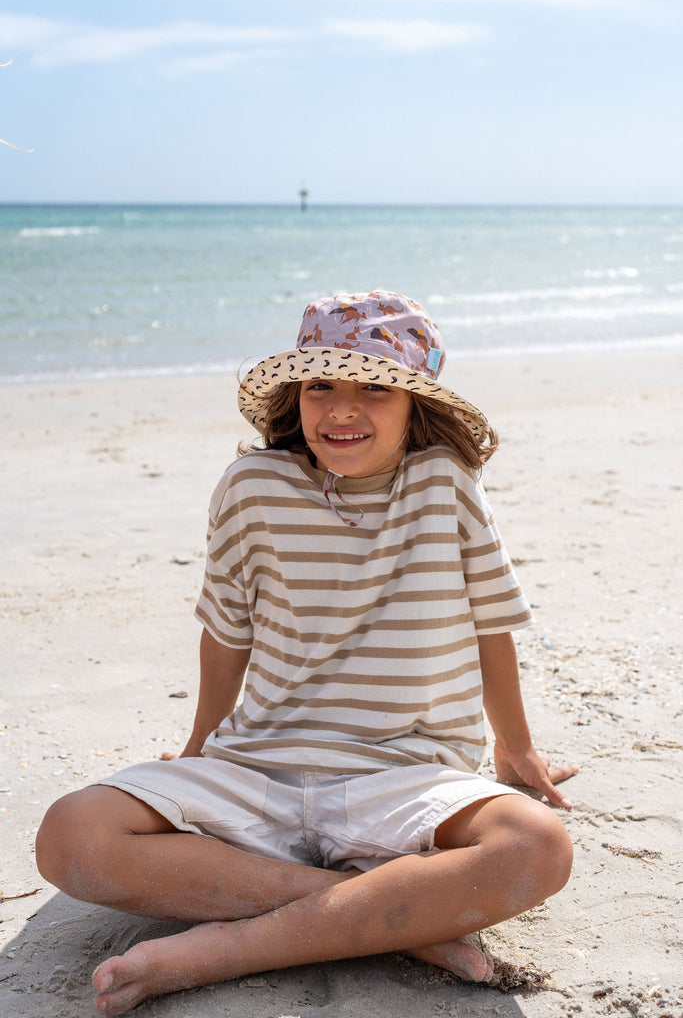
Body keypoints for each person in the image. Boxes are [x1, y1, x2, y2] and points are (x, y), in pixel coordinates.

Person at [36, 290, 578, 1017]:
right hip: (260, 765)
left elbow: (490, 623)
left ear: (414, 407)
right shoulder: (251, 487)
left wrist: (514, 747)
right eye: (321, 383)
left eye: (374, 389)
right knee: (71, 834)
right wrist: (199, 745)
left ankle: (223, 949)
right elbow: (227, 627)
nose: (341, 408)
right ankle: (387, 918)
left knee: (537, 846)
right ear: (295, 396)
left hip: (401, 775)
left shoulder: (443, 484)